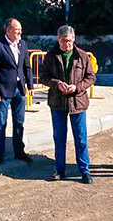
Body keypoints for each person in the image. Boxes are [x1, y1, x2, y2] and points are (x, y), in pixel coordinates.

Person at [40, 25, 96, 184]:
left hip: (78, 102)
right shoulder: (51, 56)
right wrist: (57, 84)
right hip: (58, 102)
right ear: (58, 40)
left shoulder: (83, 56)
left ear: (74, 39)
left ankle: (85, 171)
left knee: (81, 138)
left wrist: (77, 87)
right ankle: (59, 170)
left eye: (70, 41)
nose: (67, 44)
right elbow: (43, 76)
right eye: (64, 41)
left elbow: (91, 77)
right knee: (59, 137)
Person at [0, 18, 34, 165]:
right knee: (1, 123)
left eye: (20, 29)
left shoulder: (23, 44)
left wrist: (31, 85)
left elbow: (27, 66)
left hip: (19, 90)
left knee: (19, 122)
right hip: (3, 90)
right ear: (8, 30)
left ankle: (19, 151)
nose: (20, 32)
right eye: (16, 29)